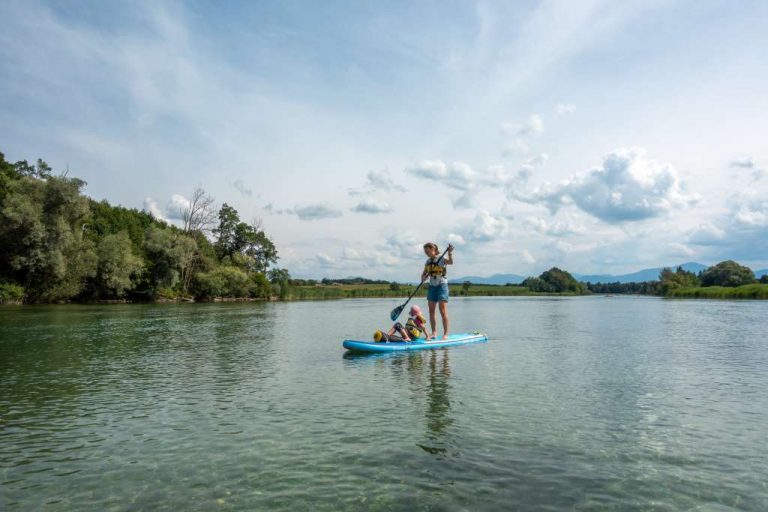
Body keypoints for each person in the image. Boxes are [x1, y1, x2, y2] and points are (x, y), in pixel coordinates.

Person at [422, 242, 454, 340]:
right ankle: (434, 333)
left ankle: (445, 334)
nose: (427, 253)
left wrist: (449, 253)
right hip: (432, 286)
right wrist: (423, 278)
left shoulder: (441, 258)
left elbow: (450, 262)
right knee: (431, 311)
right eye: (425, 251)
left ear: (434, 250)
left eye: (428, 251)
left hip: (442, 286)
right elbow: (423, 274)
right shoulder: (427, 262)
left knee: (442, 311)